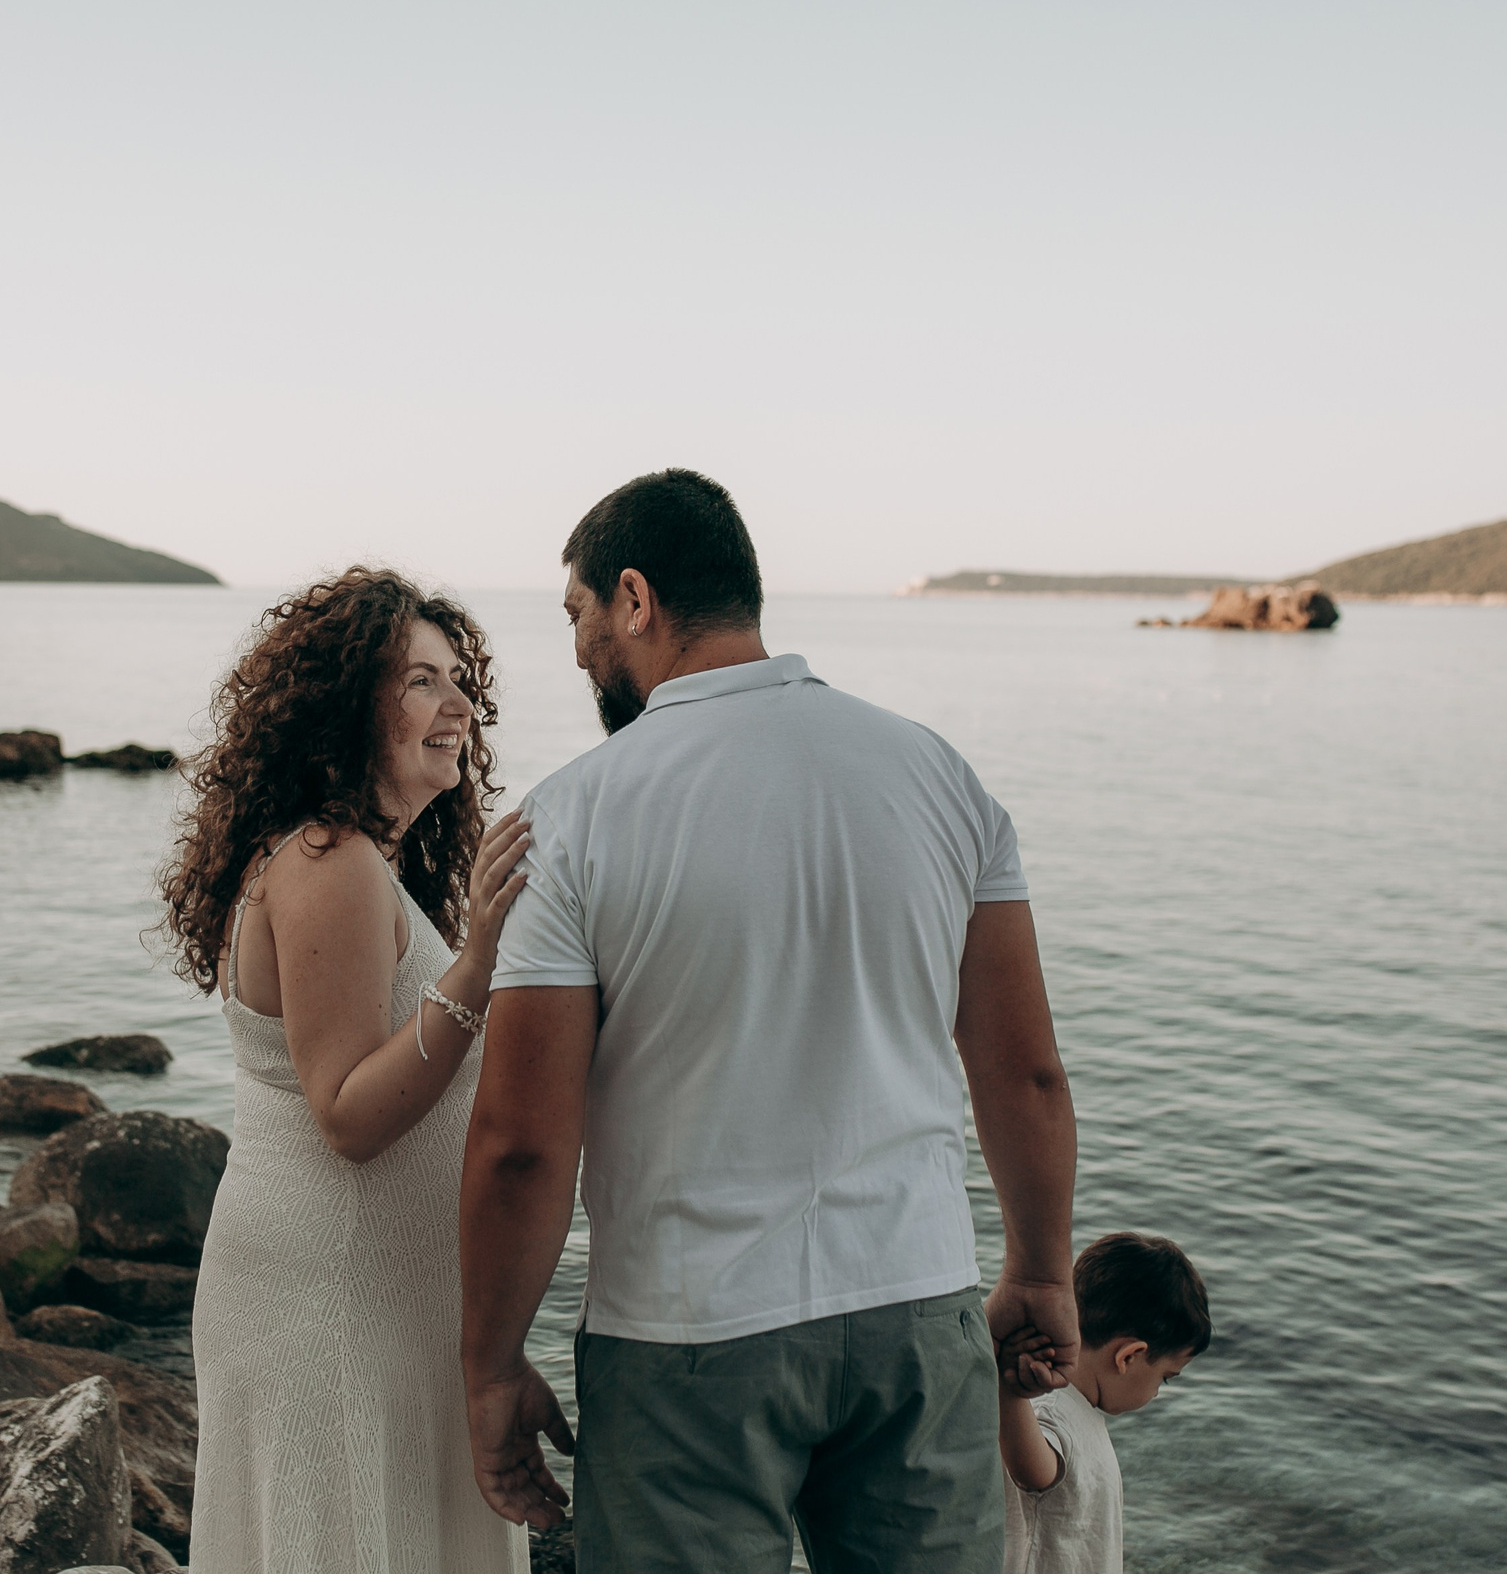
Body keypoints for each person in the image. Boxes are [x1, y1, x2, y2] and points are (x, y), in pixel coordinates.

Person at [457, 469, 1083, 1573]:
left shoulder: (572, 817)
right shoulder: (940, 777)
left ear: (635, 599)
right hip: (916, 1304)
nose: (578, 649)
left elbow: (522, 1144)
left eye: (577, 613)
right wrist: (1040, 1270)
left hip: (684, 1336)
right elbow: (1024, 1072)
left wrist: (491, 1366)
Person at [167, 567, 535, 1574]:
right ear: (345, 706)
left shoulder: (362, 864)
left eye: (459, 681)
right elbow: (347, 1114)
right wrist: (478, 964)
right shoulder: (329, 862)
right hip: (330, 1300)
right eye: (421, 681)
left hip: (378, 1297)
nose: (458, 706)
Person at [998, 1233, 1213, 1574]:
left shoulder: (1079, 1408)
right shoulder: (1051, 1408)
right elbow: (1030, 1472)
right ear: (1129, 1356)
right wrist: (1008, 1391)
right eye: (1164, 1377)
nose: (1158, 1392)